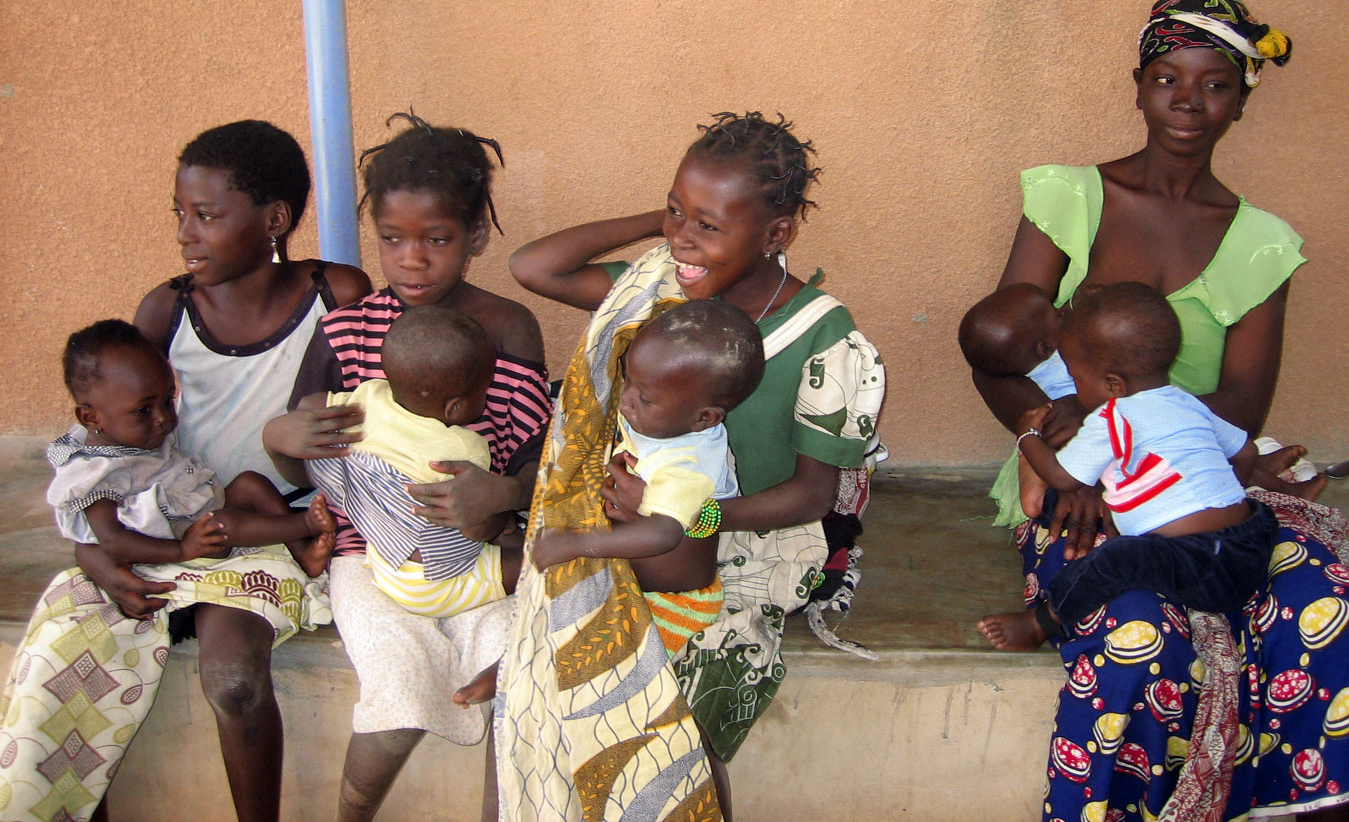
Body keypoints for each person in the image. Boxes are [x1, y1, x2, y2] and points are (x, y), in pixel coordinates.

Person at [970, 0, 1349, 821]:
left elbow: (1242, 401)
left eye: (1215, 84)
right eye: (1167, 78)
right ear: (1138, 86)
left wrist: (1145, 431)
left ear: (1240, 101)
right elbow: (998, 352)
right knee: (1138, 634)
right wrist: (1044, 431)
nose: (1188, 101)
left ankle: (1308, 807)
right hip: (1076, 477)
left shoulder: (1261, 243)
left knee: (1329, 608)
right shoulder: (1068, 197)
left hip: (1204, 472)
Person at [503, 111, 884, 821]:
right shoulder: (660, 290)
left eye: (709, 224)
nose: (682, 238)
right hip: (632, 530)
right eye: (675, 211)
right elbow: (534, 267)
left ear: (776, 233)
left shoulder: (823, 336)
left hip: (746, 545)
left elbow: (811, 495)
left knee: (675, 728)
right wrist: (672, 226)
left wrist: (686, 515)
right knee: (538, 694)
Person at [0, 119, 370, 822]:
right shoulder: (166, 309)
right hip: (163, 528)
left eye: (205, 215)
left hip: (272, 530)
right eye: (179, 214)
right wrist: (95, 555)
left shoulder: (336, 295)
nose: (184, 234)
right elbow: (109, 445)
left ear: (274, 221)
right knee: (61, 668)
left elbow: (363, 421)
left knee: (233, 679)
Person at [262, 112, 551, 822]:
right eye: (392, 239)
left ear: (475, 237)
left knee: (519, 677)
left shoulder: (509, 329)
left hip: (481, 552)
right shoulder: (347, 330)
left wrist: (502, 493)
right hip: (369, 555)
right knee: (395, 687)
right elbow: (308, 467)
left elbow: (539, 463)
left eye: (436, 239)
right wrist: (280, 439)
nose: (412, 260)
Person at [976, 283, 1282, 651]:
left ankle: (1041, 622)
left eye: (1077, 378)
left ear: (1113, 385)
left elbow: (1061, 477)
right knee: (1254, 510)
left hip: (1191, 560)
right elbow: (1245, 453)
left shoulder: (1112, 418)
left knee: (1114, 559)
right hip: (1250, 544)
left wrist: (1027, 435)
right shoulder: (1187, 403)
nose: (1075, 385)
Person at [285, 305, 523, 632]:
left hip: (385, 559)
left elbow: (308, 405)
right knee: (533, 560)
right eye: (483, 391)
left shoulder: (368, 396)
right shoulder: (462, 448)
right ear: (455, 408)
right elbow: (477, 526)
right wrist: (504, 516)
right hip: (436, 584)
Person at [51, 319, 337, 579]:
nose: (163, 418)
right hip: (170, 547)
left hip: (198, 517)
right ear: (91, 418)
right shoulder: (94, 473)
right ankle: (305, 524)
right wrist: (182, 549)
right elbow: (112, 540)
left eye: (168, 401)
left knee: (250, 484)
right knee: (222, 524)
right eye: (143, 410)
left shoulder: (145, 436)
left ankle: (303, 553)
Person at [530, 299, 760, 574]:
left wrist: (578, 544)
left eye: (645, 398)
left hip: (672, 570)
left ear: (705, 418)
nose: (626, 398)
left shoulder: (687, 466)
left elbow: (662, 535)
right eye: (628, 378)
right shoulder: (664, 417)